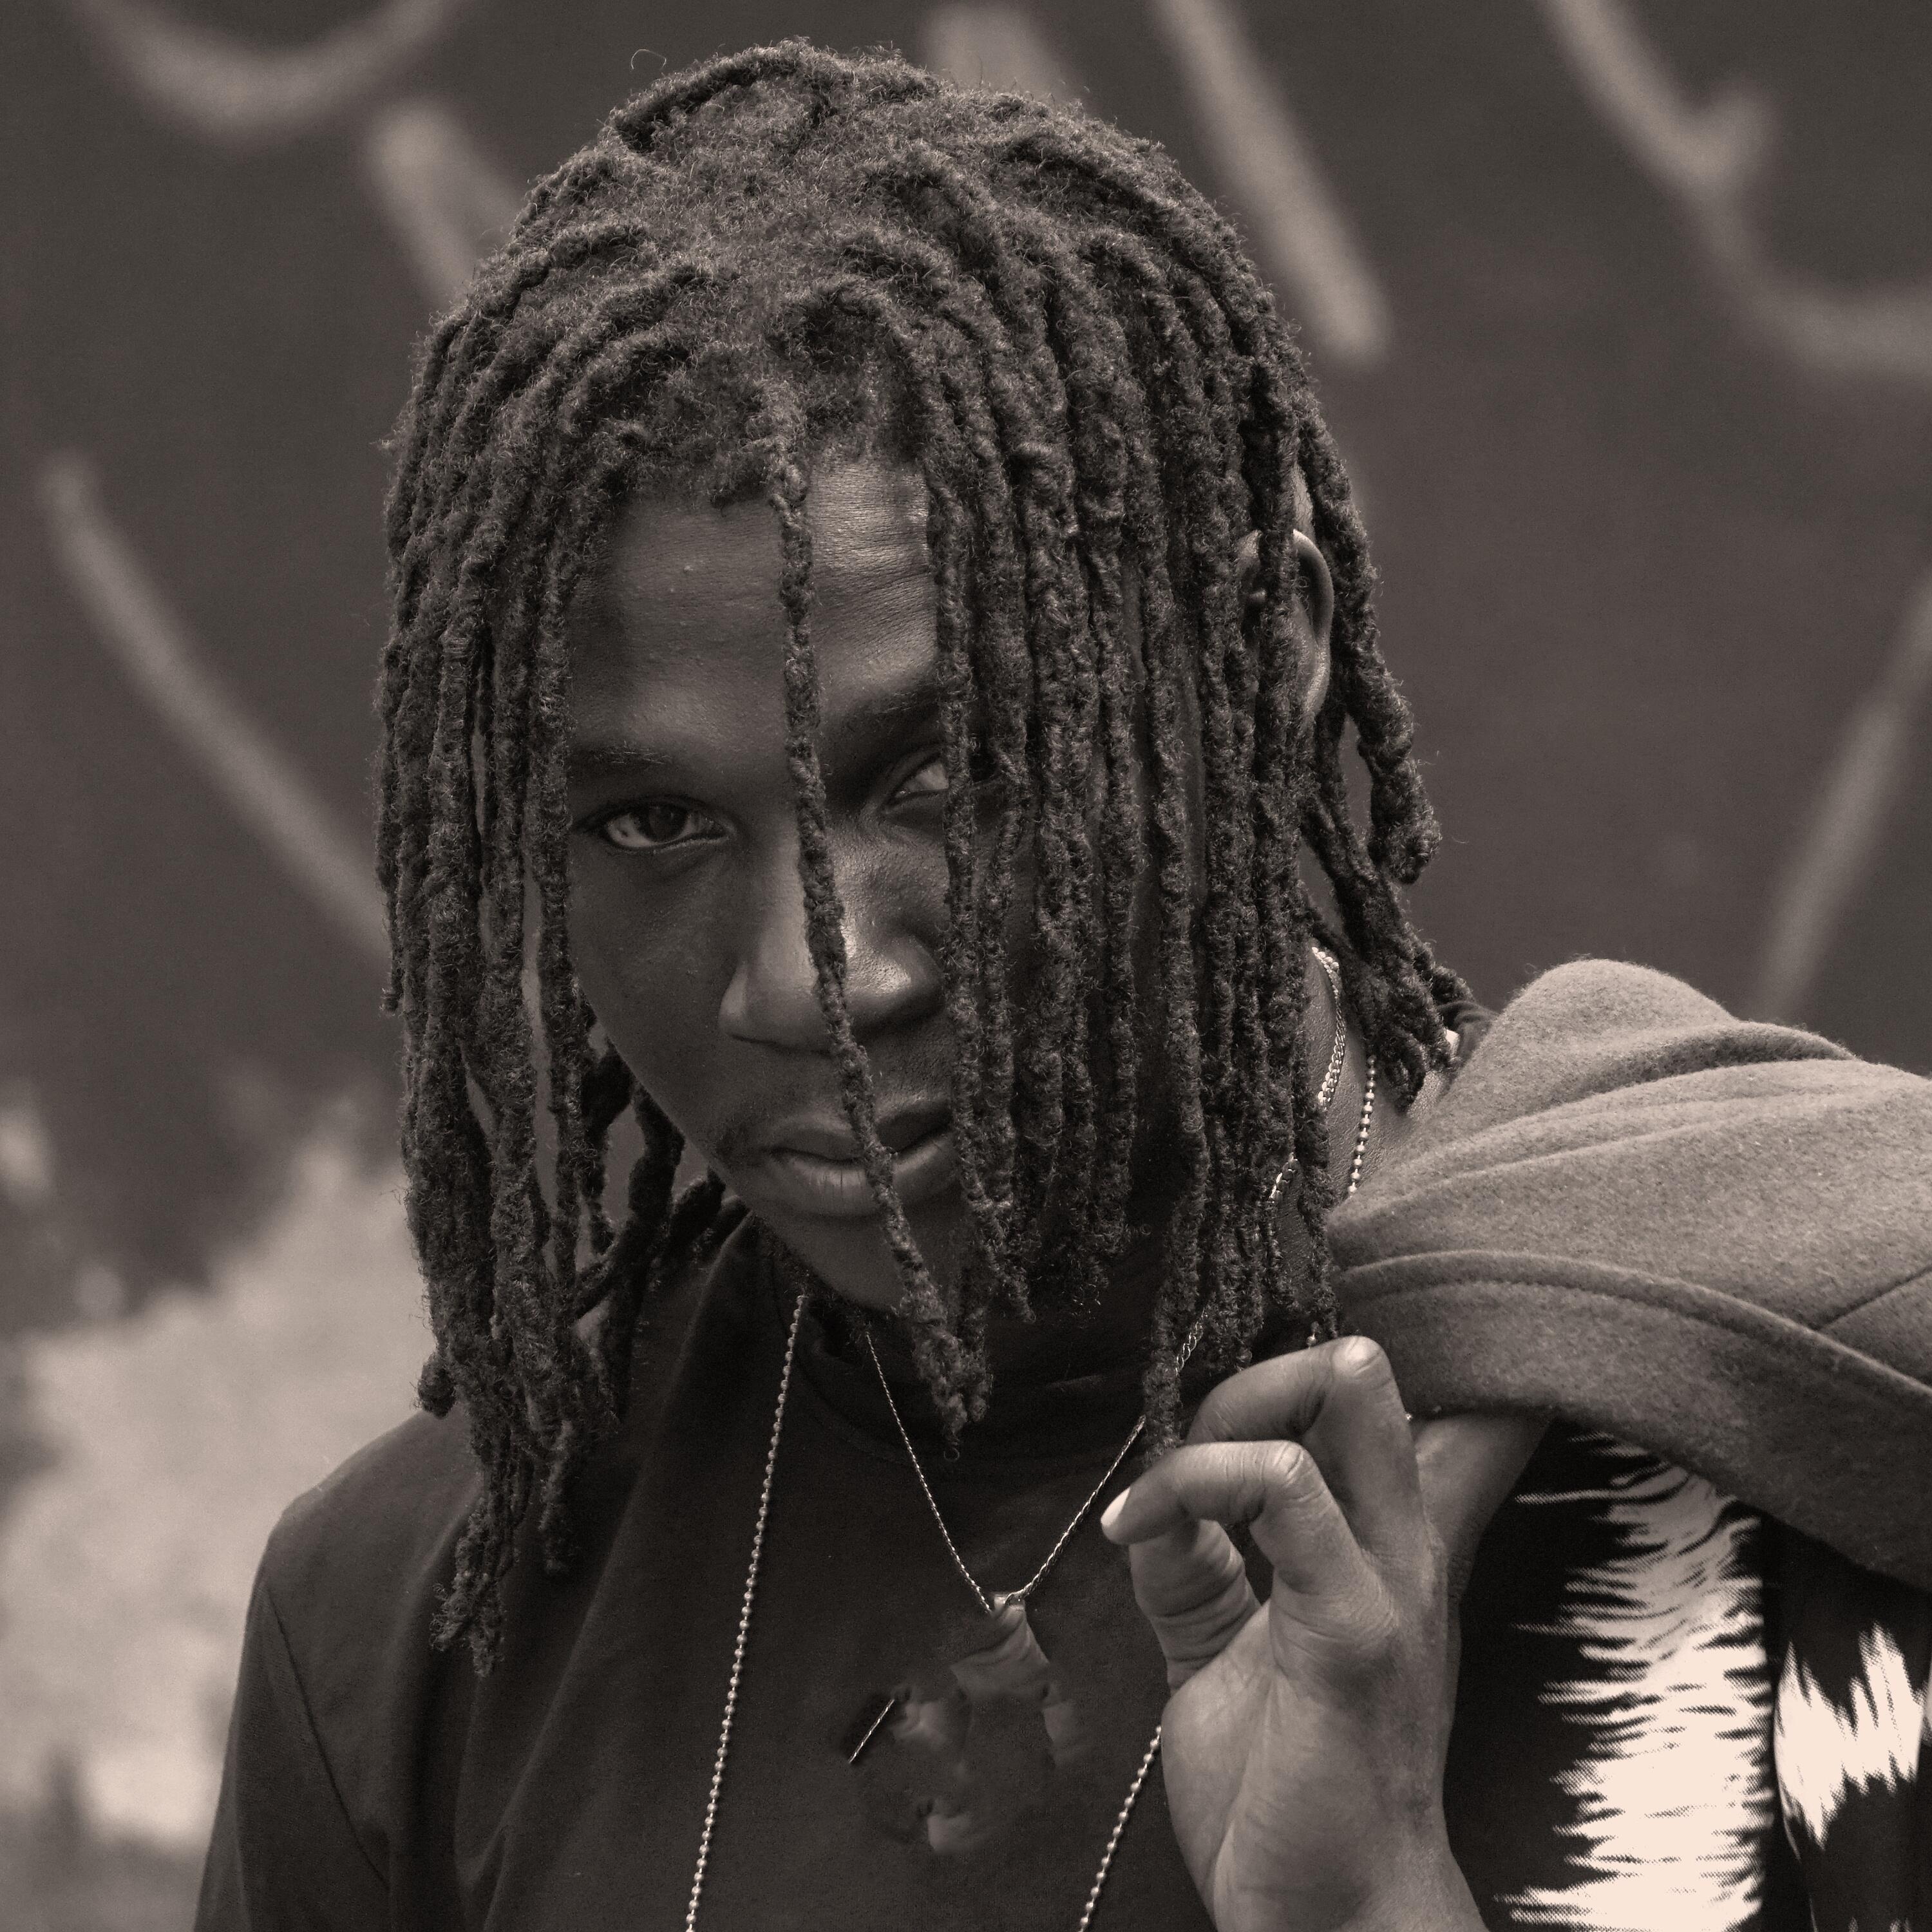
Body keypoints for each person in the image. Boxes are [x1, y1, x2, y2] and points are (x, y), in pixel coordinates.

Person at [196, 42, 1932, 1932]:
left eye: (946, 780)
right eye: (654, 825)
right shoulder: (420, 1630)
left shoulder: (1804, 1434)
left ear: (1265, 655)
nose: (810, 980)